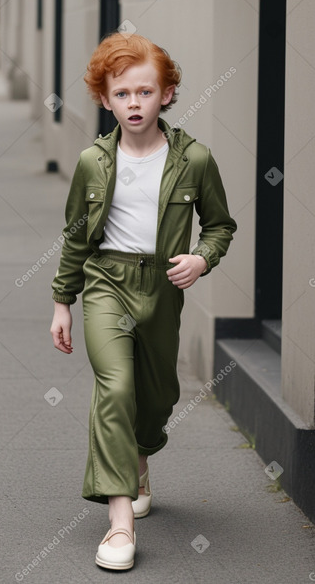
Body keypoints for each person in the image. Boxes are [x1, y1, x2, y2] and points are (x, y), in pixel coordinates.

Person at [50, 32, 237, 571]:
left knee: (156, 399)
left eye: (145, 92)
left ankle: (138, 458)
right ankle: (119, 524)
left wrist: (202, 258)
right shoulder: (92, 162)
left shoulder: (195, 160)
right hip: (107, 281)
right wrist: (63, 300)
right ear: (105, 99)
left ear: (167, 95)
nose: (134, 103)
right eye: (123, 93)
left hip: (163, 288)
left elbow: (220, 226)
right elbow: (77, 237)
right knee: (116, 387)